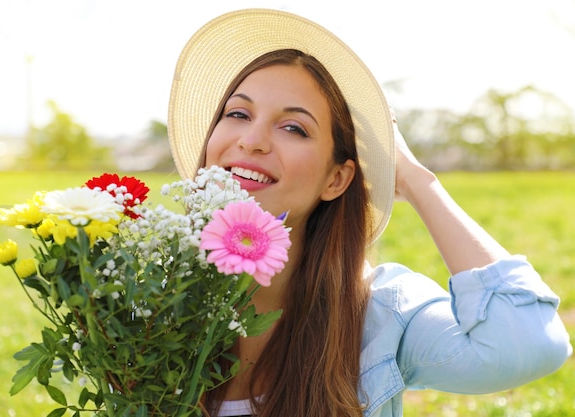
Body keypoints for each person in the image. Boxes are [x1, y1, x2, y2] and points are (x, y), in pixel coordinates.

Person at [167, 9, 572, 417]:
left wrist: (415, 179)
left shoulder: (379, 318)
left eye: (294, 128)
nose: (252, 140)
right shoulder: (147, 295)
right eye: (237, 114)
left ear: (336, 179)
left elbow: (529, 344)